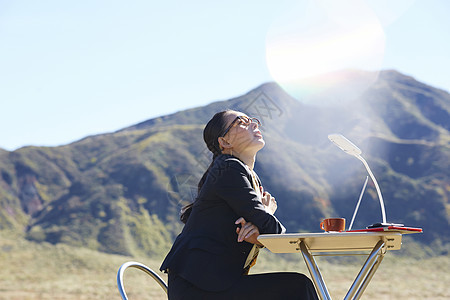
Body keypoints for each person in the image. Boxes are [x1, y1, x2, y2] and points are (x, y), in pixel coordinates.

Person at [160, 110, 318, 300]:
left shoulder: (246, 175)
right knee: (297, 287)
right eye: (242, 122)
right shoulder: (228, 167)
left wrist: (258, 233)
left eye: (253, 120)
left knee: (297, 286)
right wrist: (267, 211)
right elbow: (274, 230)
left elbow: (266, 230)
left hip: (213, 285)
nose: (254, 124)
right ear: (224, 142)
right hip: (197, 289)